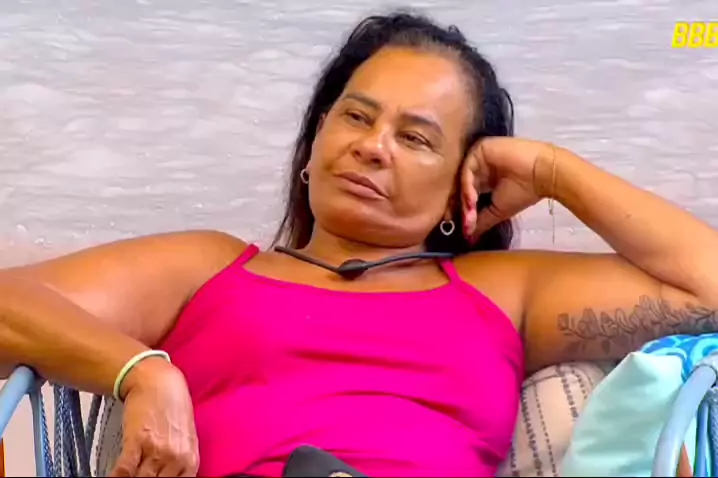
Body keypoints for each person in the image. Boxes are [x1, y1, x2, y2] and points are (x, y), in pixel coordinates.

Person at [0, 10, 717, 478]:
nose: (373, 147)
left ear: (462, 188)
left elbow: (707, 289)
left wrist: (555, 172)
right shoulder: (209, 268)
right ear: (314, 142)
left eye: (416, 138)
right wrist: (141, 371)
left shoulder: (503, 293)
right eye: (355, 117)